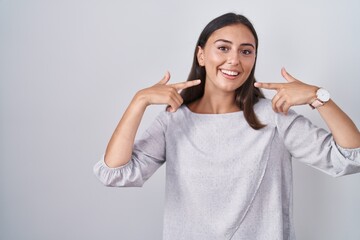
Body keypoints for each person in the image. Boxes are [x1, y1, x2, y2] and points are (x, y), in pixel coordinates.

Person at [93, 12, 360, 239]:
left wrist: (319, 97)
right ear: (201, 55)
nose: (234, 60)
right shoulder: (174, 120)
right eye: (223, 48)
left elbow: (351, 157)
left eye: (246, 51)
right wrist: (138, 101)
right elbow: (115, 173)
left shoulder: (274, 117)